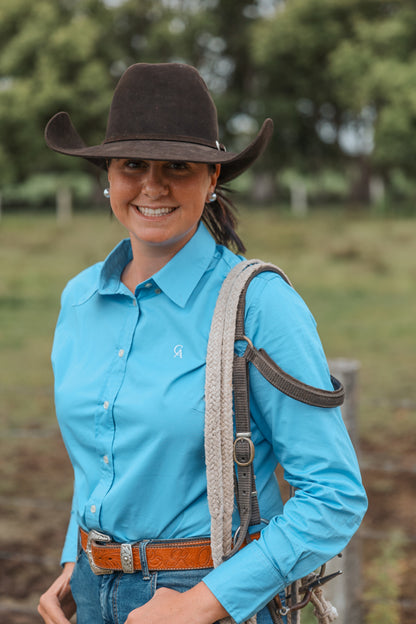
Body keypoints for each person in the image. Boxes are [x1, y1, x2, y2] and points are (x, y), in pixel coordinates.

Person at [38, 62, 367, 624]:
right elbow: (101, 456)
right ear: (108, 176)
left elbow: (333, 497)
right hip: (91, 597)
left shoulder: (258, 305)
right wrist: (82, 555)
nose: (153, 186)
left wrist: (199, 605)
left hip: (208, 596)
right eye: (133, 165)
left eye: (178, 167)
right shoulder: (79, 300)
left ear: (212, 180)